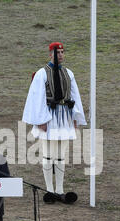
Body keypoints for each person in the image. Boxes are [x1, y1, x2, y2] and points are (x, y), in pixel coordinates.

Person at [22, 42, 87, 204]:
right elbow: (37, 99)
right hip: (49, 116)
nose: (61, 55)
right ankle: (49, 189)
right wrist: (41, 120)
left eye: (62, 52)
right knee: (48, 154)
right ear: (50, 54)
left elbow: (74, 96)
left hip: (64, 116)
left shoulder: (68, 73)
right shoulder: (41, 74)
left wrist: (75, 117)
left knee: (60, 156)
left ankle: (59, 190)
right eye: (58, 52)